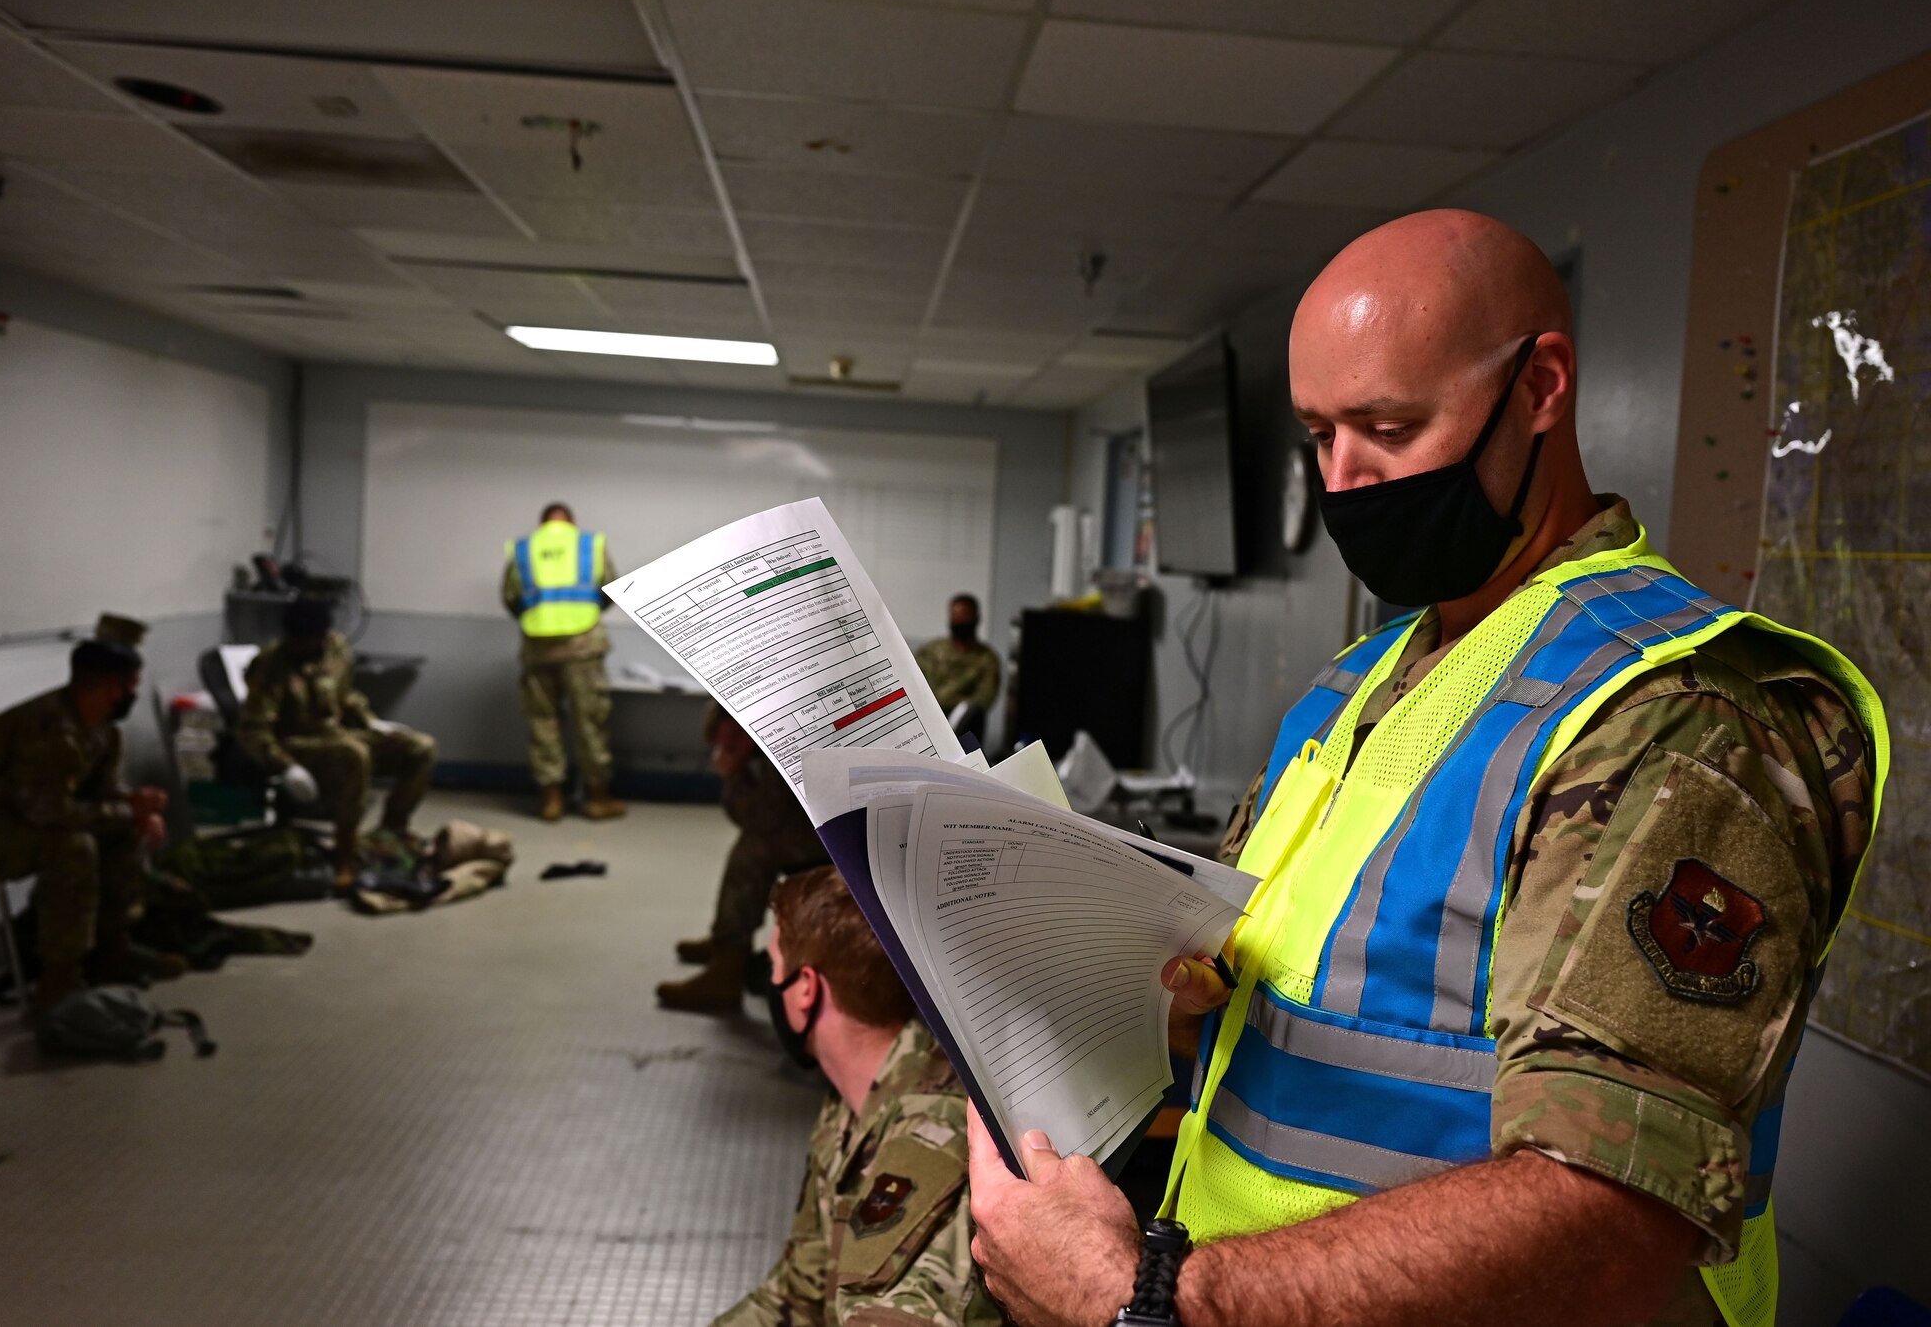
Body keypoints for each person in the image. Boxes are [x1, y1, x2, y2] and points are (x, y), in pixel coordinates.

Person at [961, 210, 1885, 1327]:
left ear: (1540, 386)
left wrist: (1152, 1297)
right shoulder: (1357, 686)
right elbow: (1318, 1007)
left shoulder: (1671, 717)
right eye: (1317, 436)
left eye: (1389, 427)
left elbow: (1609, 1224)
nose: (1345, 481)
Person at [714, 864, 1002, 1327]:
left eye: (774, 965)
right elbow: (796, 1299)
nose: (770, 982)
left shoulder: (933, 1137)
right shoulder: (849, 1103)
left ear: (805, 989)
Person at [0, 614, 181, 1013]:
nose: (132, 697)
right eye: (130, 688)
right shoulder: (51, 733)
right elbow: (50, 813)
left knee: (119, 830)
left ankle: (112, 948)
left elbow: (103, 794)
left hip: (10, 821)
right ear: (103, 687)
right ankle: (59, 980)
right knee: (70, 847)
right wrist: (124, 810)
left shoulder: (100, 730)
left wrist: (137, 809)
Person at [239, 596, 437, 891]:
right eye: (294, 640)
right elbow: (253, 731)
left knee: (420, 747)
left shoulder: (335, 649)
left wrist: (371, 721)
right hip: (295, 743)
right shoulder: (270, 665)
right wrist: (287, 766)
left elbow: (345, 696)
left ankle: (392, 831)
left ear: (320, 637)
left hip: (335, 734)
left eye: (307, 640)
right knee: (354, 755)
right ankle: (345, 856)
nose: (299, 646)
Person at [657, 702, 829, 1014]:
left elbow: (761, 815)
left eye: (734, 738)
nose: (726, 746)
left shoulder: (784, 736)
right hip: (837, 828)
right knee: (758, 840)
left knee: (757, 846)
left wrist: (733, 774)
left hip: (838, 844)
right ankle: (727, 945)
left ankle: (728, 963)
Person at [503, 501, 623, 822]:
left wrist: (539, 621)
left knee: (543, 723)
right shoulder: (589, 544)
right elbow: (611, 588)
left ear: (542, 523)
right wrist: (586, 614)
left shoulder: (524, 549)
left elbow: (511, 598)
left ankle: (551, 801)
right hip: (583, 647)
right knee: (591, 721)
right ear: (571, 521)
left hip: (537, 649)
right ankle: (598, 799)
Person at [914, 594, 999, 747]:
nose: (959, 621)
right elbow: (912, 680)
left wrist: (952, 703)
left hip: (963, 721)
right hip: (928, 715)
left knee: (971, 713)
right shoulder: (931, 651)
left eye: (964, 616)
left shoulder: (986, 659)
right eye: (955, 615)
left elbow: (984, 699)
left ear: (976, 618)